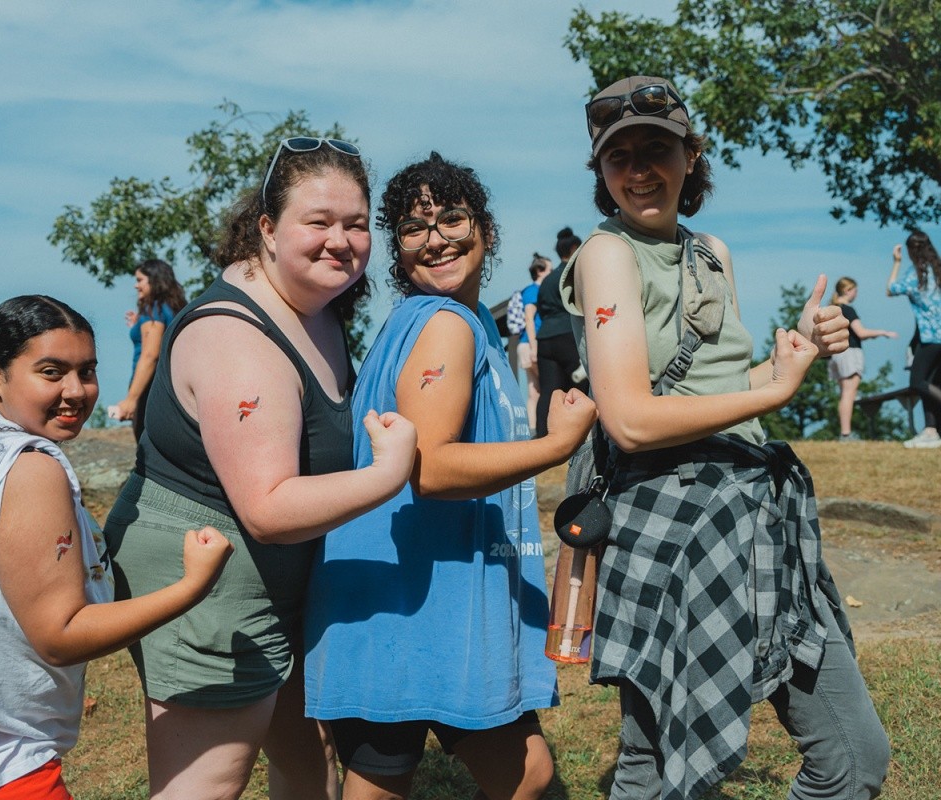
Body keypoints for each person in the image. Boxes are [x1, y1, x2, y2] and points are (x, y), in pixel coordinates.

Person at [562, 75, 890, 799]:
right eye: (620, 157)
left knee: (852, 757)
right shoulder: (605, 255)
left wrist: (798, 348)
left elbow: (726, 392)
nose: (640, 169)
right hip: (668, 525)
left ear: (692, 155)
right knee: (655, 770)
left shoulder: (711, 251)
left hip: (753, 513)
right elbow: (631, 419)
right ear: (601, 171)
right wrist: (776, 389)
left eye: (658, 149)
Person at [104, 138, 417, 800]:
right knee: (204, 787)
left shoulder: (316, 309)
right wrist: (389, 475)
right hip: (211, 592)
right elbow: (268, 509)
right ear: (269, 230)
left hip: (273, 593)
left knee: (307, 764)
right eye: (320, 222)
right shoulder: (239, 340)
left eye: (356, 224)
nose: (342, 240)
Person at [304, 152, 597, 800]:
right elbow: (430, 467)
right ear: (397, 249)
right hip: (418, 613)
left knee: (404, 778)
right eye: (414, 227)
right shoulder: (444, 326)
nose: (435, 238)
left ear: (483, 231)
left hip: (402, 608)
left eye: (452, 218)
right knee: (529, 779)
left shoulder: (430, 324)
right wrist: (556, 446)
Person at [0, 295, 232, 798]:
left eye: (87, 371)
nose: (76, 391)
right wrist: (192, 586)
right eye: (52, 372)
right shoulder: (29, 467)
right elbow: (61, 634)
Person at [887, 231, 941, 448]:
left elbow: (891, 290)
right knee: (938, 383)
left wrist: (896, 263)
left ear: (910, 251)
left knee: (918, 381)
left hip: (929, 338)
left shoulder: (916, 274)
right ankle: (936, 431)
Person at [112, 259, 187, 441]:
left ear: (154, 280)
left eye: (139, 280)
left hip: (150, 390)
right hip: (172, 390)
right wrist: (139, 326)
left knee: (147, 449)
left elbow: (150, 355)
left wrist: (131, 399)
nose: (136, 286)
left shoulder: (153, 309)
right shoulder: (174, 310)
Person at [829, 277, 897, 441]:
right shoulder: (847, 309)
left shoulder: (833, 309)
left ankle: (845, 432)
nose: (856, 294)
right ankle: (846, 434)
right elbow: (861, 333)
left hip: (836, 355)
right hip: (850, 353)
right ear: (848, 290)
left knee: (844, 393)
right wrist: (883, 332)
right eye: (855, 290)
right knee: (849, 393)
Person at [534, 227, 586, 437]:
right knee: (582, 385)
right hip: (567, 334)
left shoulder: (547, 280)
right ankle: (583, 434)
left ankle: (543, 436)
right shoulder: (572, 275)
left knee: (548, 390)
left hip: (545, 338)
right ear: (574, 248)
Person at [518, 252, 552, 432]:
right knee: (548, 387)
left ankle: (532, 429)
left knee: (533, 390)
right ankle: (543, 429)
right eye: (550, 270)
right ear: (540, 271)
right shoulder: (534, 291)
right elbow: (529, 319)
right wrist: (534, 347)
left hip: (525, 344)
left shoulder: (529, 290)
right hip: (532, 344)